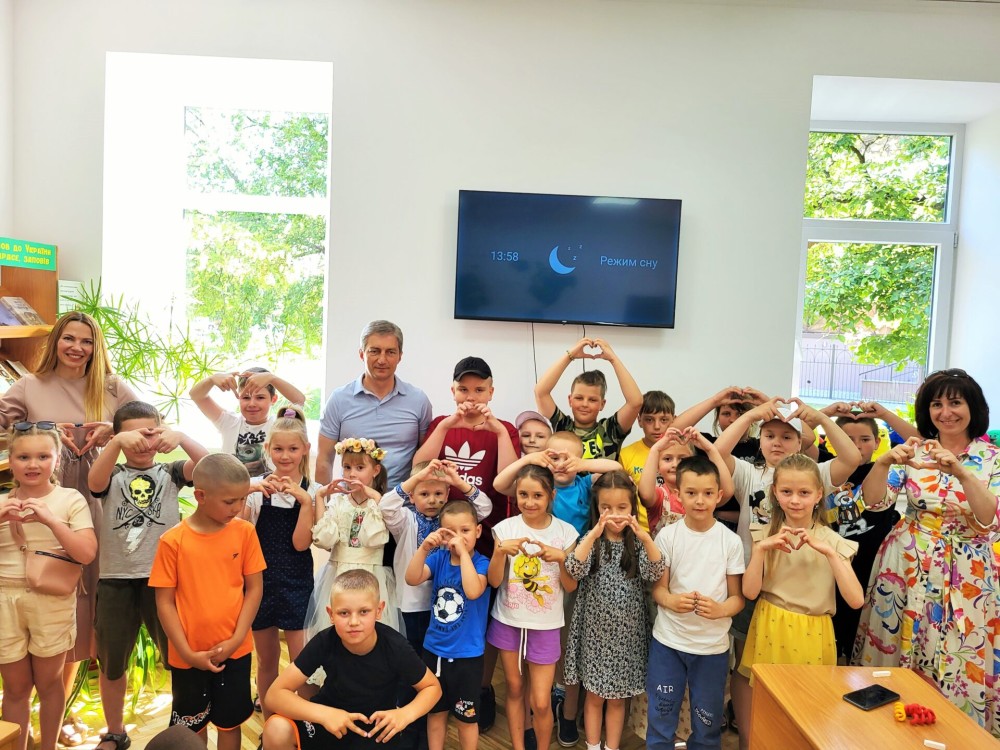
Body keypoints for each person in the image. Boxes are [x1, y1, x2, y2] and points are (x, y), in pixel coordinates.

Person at [0, 311, 137, 746]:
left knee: (80, 606)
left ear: (97, 348)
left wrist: (114, 432)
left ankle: (59, 710)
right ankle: (34, 716)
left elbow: (149, 429)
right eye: (69, 339)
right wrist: (39, 435)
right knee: (42, 596)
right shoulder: (28, 386)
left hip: (95, 506)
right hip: (42, 501)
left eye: (87, 341)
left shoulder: (112, 387)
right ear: (55, 341)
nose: (77, 348)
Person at [853, 369, 1000, 737]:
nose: (945, 412)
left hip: (967, 574)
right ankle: (885, 735)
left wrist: (962, 473)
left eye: (955, 402)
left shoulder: (992, 458)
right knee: (895, 649)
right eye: (937, 404)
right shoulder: (915, 450)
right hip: (905, 565)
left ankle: (954, 735)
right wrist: (884, 462)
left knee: (956, 652)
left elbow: (990, 521)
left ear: (973, 407)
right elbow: (875, 503)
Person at [715, 395, 861, 749]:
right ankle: (751, 736)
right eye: (769, 435)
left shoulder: (814, 474)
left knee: (804, 688)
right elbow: (718, 452)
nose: (777, 443)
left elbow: (852, 458)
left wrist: (820, 418)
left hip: (808, 609)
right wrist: (751, 414)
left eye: (786, 436)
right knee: (749, 671)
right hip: (758, 584)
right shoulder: (750, 473)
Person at [87, 401, 207, 750]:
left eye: (150, 433)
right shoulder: (113, 474)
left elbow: (208, 467)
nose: (142, 442)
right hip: (115, 580)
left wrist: (181, 436)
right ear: (119, 436)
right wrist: (115, 442)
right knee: (112, 663)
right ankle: (115, 732)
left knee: (177, 658)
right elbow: (94, 483)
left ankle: (182, 727)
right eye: (133, 435)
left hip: (164, 583)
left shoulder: (171, 473)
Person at [493, 431, 621, 746]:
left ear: (549, 496)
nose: (561, 462)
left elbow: (615, 469)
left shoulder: (580, 492)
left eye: (568, 457)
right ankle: (525, 734)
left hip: (559, 597)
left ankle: (562, 712)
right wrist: (533, 458)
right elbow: (500, 484)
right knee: (516, 685)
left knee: (552, 675)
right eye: (554, 456)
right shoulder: (511, 520)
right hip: (513, 612)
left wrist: (580, 464)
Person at [149, 454, 265, 750]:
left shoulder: (245, 532)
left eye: (242, 499)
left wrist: (237, 638)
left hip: (235, 652)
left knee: (230, 724)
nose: (237, 508)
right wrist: (187, 653)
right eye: (229, 501)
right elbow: (164, 603)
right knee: (192, 727)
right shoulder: (172, 541)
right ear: (200, 496)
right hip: (187, 656)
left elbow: (254, 589)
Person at [740, 455, 863, 733]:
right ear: (775, 492)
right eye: (787, 492)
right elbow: (749, 592)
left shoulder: (832, 541)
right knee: (769, 711)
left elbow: (856, 600)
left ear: (819, 495)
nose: (795, 500)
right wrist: (760, 551)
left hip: (813, 633)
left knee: (809, 710)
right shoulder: (764, 534)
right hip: (771, 626)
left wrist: (830, 553)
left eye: (804, 493)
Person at [262, 569, 442, 750]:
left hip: (375, 732)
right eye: (344, 613)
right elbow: (274, 695)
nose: (354, 621)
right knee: (276, 730)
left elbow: (432, 688)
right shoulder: (324, 641)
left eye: (363, 611)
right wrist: (325, 715)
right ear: (331, 614)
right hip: (329, 724)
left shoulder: (395, 646)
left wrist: (405, 714)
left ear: (379, 610)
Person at [0, 422, 97, 750]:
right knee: (15, 689)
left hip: (52, 600)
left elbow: (86, 553)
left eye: (43, 456)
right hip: (4, 600)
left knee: (50, 684)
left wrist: (52, 521)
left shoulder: (69, 499)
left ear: (57, 459)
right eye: (24, 457)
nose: (33, 464)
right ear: (11, 460)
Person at [563, 471, 667, 750]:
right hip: (594, 636)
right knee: (594, 697)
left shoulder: (638, 542)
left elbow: (655, 571)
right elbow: (573, 568)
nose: (615, 515)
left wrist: (646, 538)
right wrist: (593, 533)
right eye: (606, 508)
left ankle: (612, 747)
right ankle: (593, 745)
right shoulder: (591, 540)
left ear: (632, 508)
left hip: (627, 639)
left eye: (622, 507)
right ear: (597, 509)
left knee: (618, 700)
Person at [648, 455, 745, 750]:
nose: (699, 501)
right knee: (661, 716)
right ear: (678, 495)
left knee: (707, 722)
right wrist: (670, 600)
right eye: (691, 493)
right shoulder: (667, 536)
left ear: (719, 495)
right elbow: (658, 590)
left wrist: (720, 609)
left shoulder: (730, 541)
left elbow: (737, 599)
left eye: (707, 493)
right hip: (668, 643)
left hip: (711, 649)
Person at [487, 464, 577, 750]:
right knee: (514, 688)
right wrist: (500, 552)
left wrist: (561, 558)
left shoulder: (567, 532)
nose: (529, 502)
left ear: (551, 495)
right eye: (523, 494)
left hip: (546, 627)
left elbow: (570, 586)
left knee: (540, 701)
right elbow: (494, 580)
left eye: (537, 495)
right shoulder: (505, 528)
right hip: (508, 621)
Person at [242, 408, 321, 717]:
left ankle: (305, 725)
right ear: (267, 449)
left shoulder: (314, 491)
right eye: (278, 448)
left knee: (303, 661)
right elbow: (239, 534)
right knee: (266, 659)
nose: (285, 456)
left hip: (297, 582)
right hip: (260, 582)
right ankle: (271, 719)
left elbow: (301, 544)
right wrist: (248, 491)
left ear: (305, 449)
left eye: (292, 448)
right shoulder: (256, 488)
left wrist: (305, 501)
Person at [815, 405, 910, 659]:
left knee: (857, 626)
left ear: (877, 442)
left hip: (869, 562)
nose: (857, 446)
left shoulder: (886, 469)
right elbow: (801, 434)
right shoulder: (824, 467)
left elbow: (923, 442)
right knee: (830, 626)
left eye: (865, 439)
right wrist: (827, 414)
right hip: (828, 561)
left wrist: (885, 415)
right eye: (847, 439)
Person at [404, 499, 491, 750]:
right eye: (451, 532)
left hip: (467, 657)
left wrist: (463, 554)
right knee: (435, 713)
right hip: (434, 651)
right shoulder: (439, 558)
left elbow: (473, 591)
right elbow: (412, 578)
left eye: (465, 530)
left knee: (466, 719)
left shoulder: (481, 563)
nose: (458, 537)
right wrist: (424, 549)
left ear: (478, 531)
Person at [412, 356, 518, 557]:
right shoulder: (440, 424)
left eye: (479, 390)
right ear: (453, 391)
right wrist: (444, 427)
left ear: (490, 393)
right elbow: (418, 469)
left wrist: (500, 433)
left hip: (487, 528)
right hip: (441, 528)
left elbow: (509, 483)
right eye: (463, 389)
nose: (471, 397)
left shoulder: (505, 429)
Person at [316, 320, 432, 487]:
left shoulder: (418, 400)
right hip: (351, 499)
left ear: (400, 356)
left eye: (390, 352)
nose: (382, 360)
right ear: (362, 354)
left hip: (402, 500)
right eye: (374, 351)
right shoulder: (339, 400)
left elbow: (425, 460)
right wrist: (323, 500)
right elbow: (324, 460)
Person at [307, 437, 399, 637]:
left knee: (369, 629)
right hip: (338, 574)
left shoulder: (381, 503)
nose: (352, 473)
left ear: (375, 470)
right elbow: (324, 540)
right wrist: (320, 497)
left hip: (371, 574)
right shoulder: (338, 502)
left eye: (360, 467)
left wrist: (375, 497)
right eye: (347, 467)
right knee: (335, 629)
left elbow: (375, 539)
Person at [533, 337, 643, 462]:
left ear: (602, 404)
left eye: (592, 400)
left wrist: (613, 359)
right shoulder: (562, 426)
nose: (585, 404)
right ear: (570, 400)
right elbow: (540, 392)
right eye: (579, 398)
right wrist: (569, 356)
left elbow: (636, 402)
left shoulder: (610, 429)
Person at [189, 367, 306, 476]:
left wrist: (272, 378)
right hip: (233, 489)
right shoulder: (228, 422)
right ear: (238, 398)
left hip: (271, 489)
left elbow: (299, 400)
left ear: (273, 399)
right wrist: (211, 379)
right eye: (245, 397)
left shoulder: (280, 425)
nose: (252, 404)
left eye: (260, 397)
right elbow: (196, 395)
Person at [638, 427, 734, 536]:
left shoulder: (702, 495)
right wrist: (655, 450)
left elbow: (728, 491)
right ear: (657, 466)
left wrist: (710, 449)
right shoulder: (660, 496)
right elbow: (645, 495)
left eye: (682, 459)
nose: (675, 464)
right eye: (667, 459)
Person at [618, 390, 675, 531]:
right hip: (638, 530)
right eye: (649, 419)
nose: (657, 426)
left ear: (673, 420)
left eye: (664, 420)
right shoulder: (626, 454)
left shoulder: (680, 454)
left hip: (675, 528)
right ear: (639, 420)